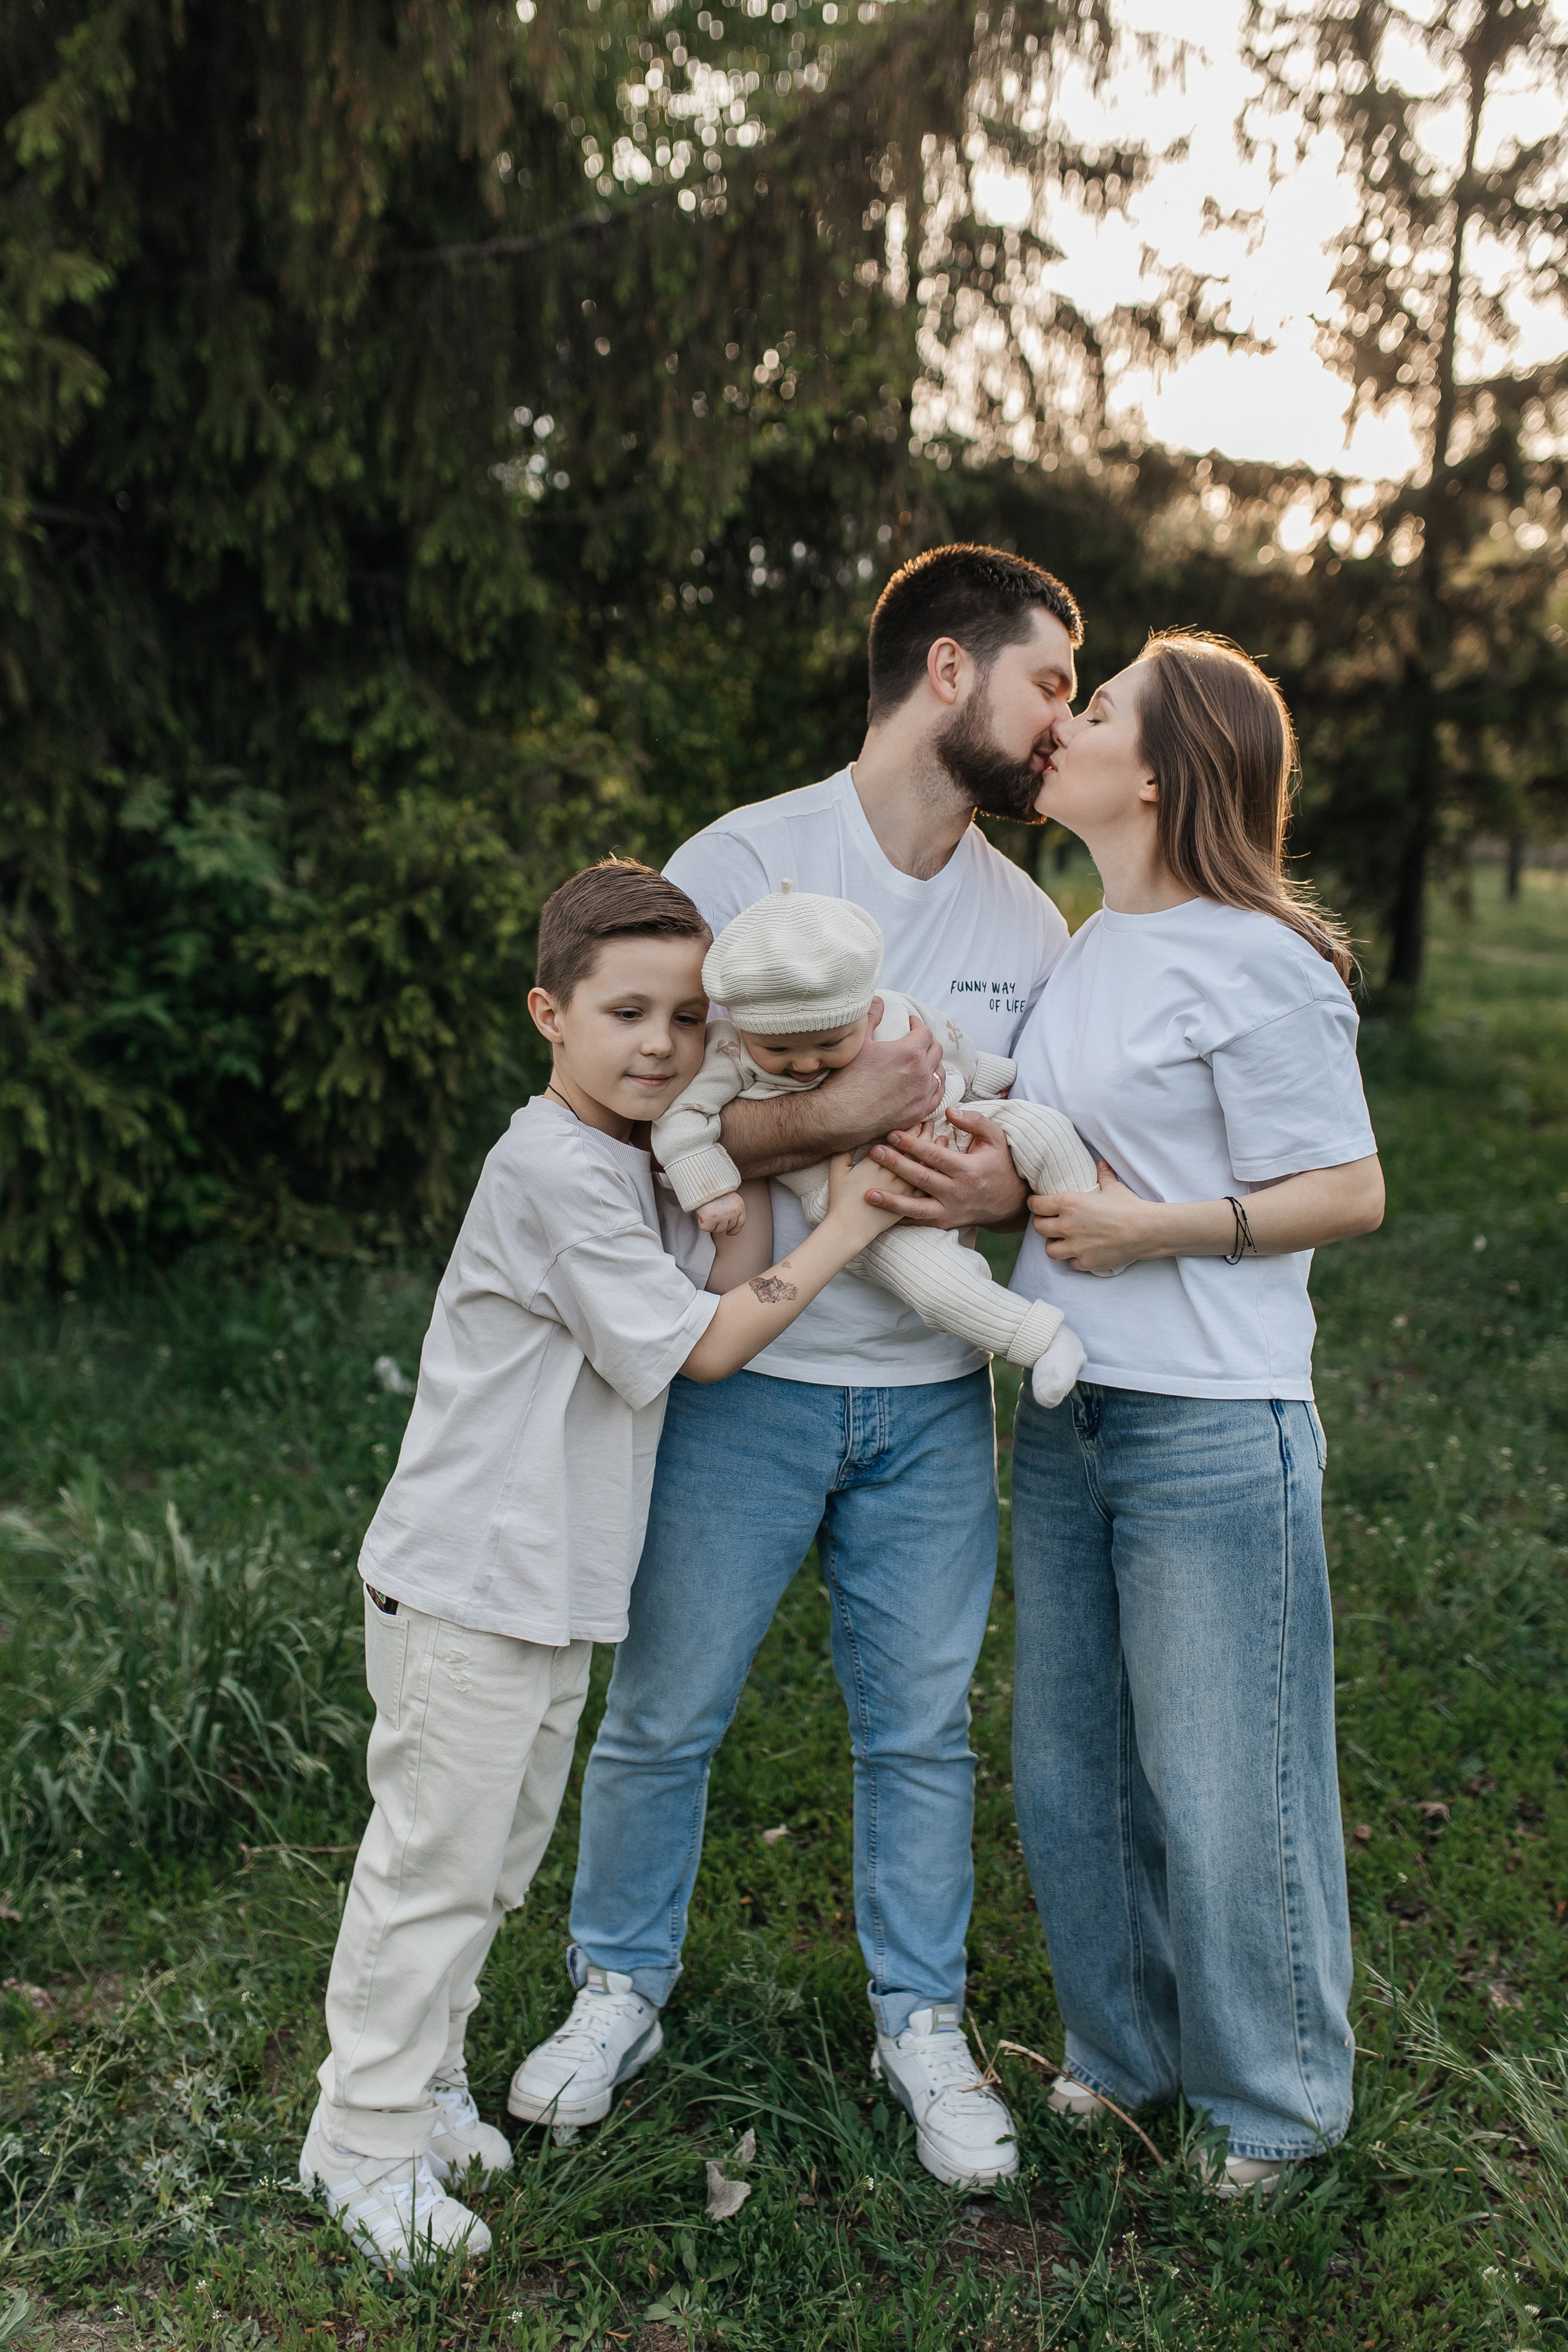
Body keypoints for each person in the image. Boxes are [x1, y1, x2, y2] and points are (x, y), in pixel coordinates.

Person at [510, 543, 1079, 2193]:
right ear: (950, 669)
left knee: (917, 1733)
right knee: (665, 1713)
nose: (1063, 720)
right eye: (1049, 680)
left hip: (926, 1402)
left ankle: (922, 2023)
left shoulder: (1027, 920)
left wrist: (991, 1178)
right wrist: (836, 1116)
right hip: (740, 1379)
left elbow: (1026, 1150)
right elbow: (646, 1113)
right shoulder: (744, 861)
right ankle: (617, 1990)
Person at [298, 859, 911, 2272]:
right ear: (549, 1014)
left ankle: (427, 2081)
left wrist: (746, 1163)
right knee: (430, 1868)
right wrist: (850, 1225)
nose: (660, 1044)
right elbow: (711, 1344)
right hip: (470, 1578)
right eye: (625, 1012)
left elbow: (715, 1279)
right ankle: (359, 2139)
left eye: (689, 1018)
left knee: (494, 1864)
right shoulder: (552, 1170)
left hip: (547, 1580)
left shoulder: (636, 1157)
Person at [998, 630, 1385, 2195]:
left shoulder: (1255, 956)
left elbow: (1345, 1190)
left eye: (1093, 709)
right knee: (1070, 1768)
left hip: (1209, 1425)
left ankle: (1273, 2106)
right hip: (1065, 1408)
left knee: (1228, 1786)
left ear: (1158, 771)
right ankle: (1123, 2055)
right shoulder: (1087, 943)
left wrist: (1152, 1229)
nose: (1063, 724)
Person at [650, 881, 1102, 1403]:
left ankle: (1088, 1219)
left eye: (830, 1043)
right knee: (931, 1281)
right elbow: (680, 1119)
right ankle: (1041, 1341)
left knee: (1041, 1126)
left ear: (865, 1012)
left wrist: (988, 1079)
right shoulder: (730, 1054)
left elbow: (952, 1046)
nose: (805, 1063)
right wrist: (711, 1189)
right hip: (867, 1205)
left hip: (955, 1123)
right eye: (777, 1050)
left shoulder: (893, 1012)